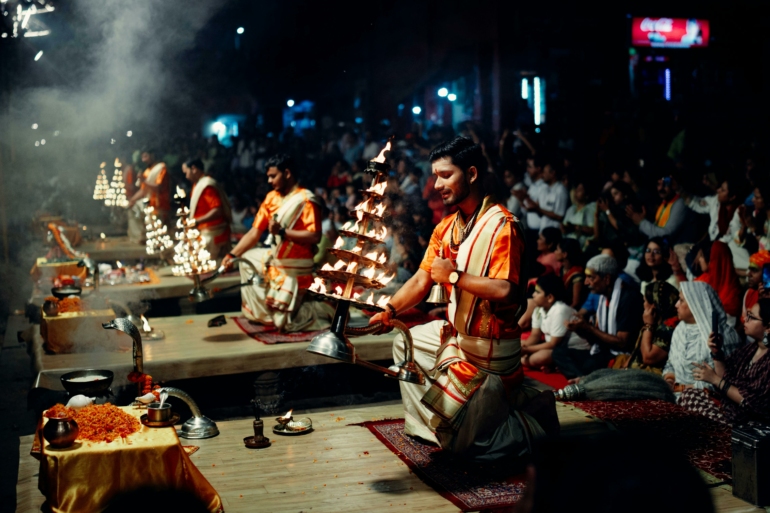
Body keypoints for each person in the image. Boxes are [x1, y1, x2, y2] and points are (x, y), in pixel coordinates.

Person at [369, 136, 557, 462]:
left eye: (445, 175)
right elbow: (422, 278)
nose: (437, 184)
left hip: (492, 357)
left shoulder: (503, 225)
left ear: (471, 174)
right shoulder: (446, 228)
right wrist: (389, 309)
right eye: (435, 176)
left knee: (471, 450)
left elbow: (506, 290)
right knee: (406, 342)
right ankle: (432, 429)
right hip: (460, 341)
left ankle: (530, 422)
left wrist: (454, 277)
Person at [223, 154, 333, 332]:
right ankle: (266, 311)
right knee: (246, 259)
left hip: (296, 265)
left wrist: (282, 232)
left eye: (273, 176)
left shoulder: (306, 199)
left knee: (285, 323)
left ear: (287, 173)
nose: (269, 180)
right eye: (268, 176)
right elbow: (254, 232)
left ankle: (316, 310)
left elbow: (314, 237)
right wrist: (232, 255)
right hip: (276, 258)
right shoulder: (270, 198)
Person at [556, 255, 643, 378]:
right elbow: (596, 339)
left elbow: (622, 342)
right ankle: (584, 378)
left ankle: (584, 379)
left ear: (606, 279)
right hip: (602, 351)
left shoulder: (628, 298)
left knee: (589, 365)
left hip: (619, 355)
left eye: (591, 277)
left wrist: (589, 328)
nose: (586, 282)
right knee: (559, 353)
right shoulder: (602, 296)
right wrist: (580, 330)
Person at [690, 299, 770, 425]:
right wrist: (716, 352)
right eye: (747, 315)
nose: (745, 320)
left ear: (768, 327)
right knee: (690, 395)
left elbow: (749, 402)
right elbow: (726, 378)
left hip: (749, 422)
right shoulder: (749, 349)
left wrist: (715, 379)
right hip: (730, 411)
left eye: (752, 317)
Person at [662, 282, 742, 398]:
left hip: (706, 400)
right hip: (676, 395)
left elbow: (723, 382)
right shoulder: (681, 329)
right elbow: (671, 363)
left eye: (681, 300)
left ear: (696, 304)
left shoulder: (722, 336)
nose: (676, 305)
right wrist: (669, 380)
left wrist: (681, 388)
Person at [521, 275, 589, 371]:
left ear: (550, 297)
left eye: (537, 292)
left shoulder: (560, 310)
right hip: (555, 348)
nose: (533, 295)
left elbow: (553, 344)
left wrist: (526, 350)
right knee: (518, 344)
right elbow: (535, 335)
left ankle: (554, 365)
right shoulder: (539, 309)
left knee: (538, 358)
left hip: (574, 350)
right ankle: (551, 366)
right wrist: (524, 347)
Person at [181, 158, 232, 260]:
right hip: (202, 231)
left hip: (212, 233)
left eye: (186, 173)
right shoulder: (197, 185)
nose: (186, 176)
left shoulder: (207, 185)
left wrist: (196, 221)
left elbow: (217, 211)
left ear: (194, 169)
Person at [627, 175, 689, 244]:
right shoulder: (663, 204)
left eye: (665, 184)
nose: (660, 188)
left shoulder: (680, 203)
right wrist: (641, 221)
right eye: (658, 184)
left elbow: (666, 235)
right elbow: (655, 230)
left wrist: (642, 223)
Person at [694, 240, 742, 324]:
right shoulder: (704, 279)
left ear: (712, 260)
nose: (699, 259)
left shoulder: (732, 297)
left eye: (701, 256)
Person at [523, 156, 568, 232]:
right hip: (543, 230)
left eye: (544, 172)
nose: (542, 174)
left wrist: (538, 209)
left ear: (553, 173)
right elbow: (542, 211)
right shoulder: (546, 189)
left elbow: (559, 216)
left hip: (553, 232)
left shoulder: (561, 190)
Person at [128, 148, 171, 224]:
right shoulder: (147, 171)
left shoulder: (161, 168)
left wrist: (144, 180)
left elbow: (158, 187)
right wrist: (132, 200)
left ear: (152, 155)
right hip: (149, 206)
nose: (143, 160)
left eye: (145, 156)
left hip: (160, 205)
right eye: (142, 158)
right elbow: (143, 190)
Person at [561, 179, 596, 250]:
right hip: (567, 243)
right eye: (576, 189)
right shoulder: (571, 209)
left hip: (581, 245)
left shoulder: (591, 208)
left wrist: (575, 227)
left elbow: (592, 230)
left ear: (587, 195)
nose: (576, 192)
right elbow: (565, 225)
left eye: (580, 190)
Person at [554, 237, 585, 309]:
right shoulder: (562, 269)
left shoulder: (577, 275)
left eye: (557, 249)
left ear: (564, 254)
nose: (554, 252)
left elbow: (575, 303)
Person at [743, 250, 770, 325]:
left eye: (754, 270)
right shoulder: (749, 293)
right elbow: (744, 323)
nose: (749, 274)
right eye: (750, 270)